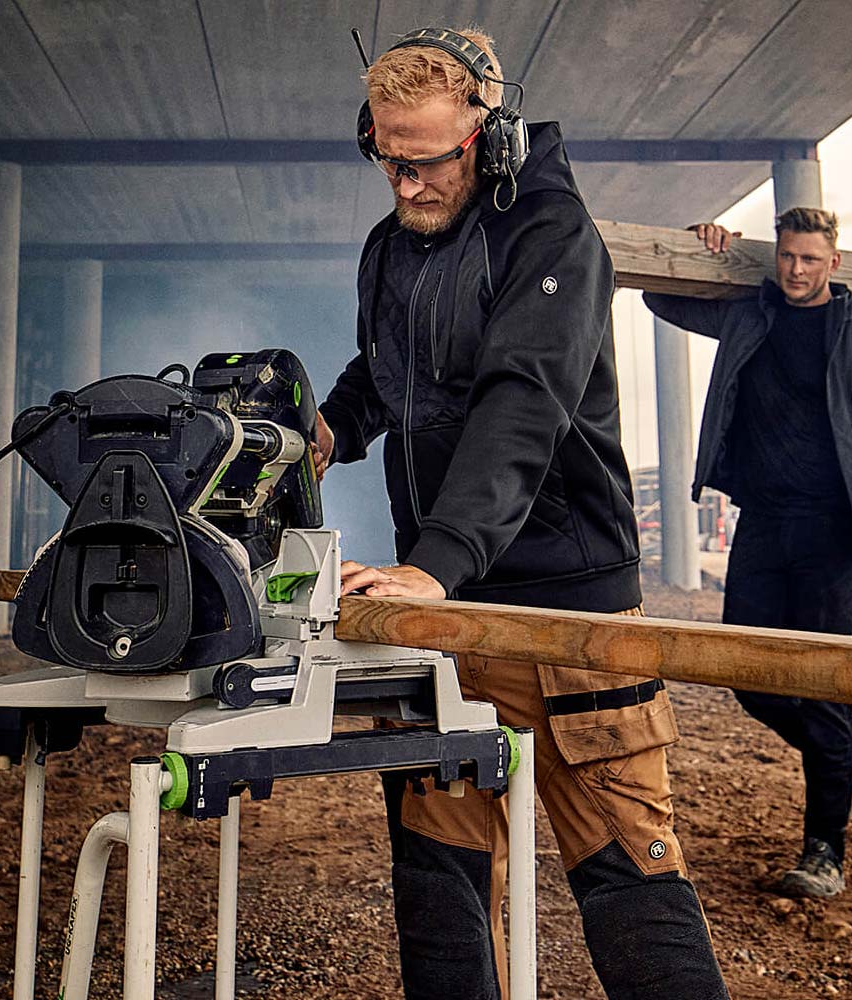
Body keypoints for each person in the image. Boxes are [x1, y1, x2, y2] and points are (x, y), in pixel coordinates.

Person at [313, 25, 730, 1000]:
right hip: (448, 616)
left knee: (629, 881)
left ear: (490, 138)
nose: (406, 184)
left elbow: (521, 402)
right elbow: (391, 368)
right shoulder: (393, 245)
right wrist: (333, 425)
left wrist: (434, 559)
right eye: (387, 159)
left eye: (427, 161)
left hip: (567, 621)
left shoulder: (554, 237)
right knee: (440, 886)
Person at [644, 210, 852, 899]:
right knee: (746, 672)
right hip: (763, 524)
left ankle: (825, 851)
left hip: (835, 535)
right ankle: (839, 753)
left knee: (824, 687)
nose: (796, 270)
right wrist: (696, 245)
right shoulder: (749, 315)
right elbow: (659, 297)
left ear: (834, 263)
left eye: (810, 259)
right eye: (788, 257)